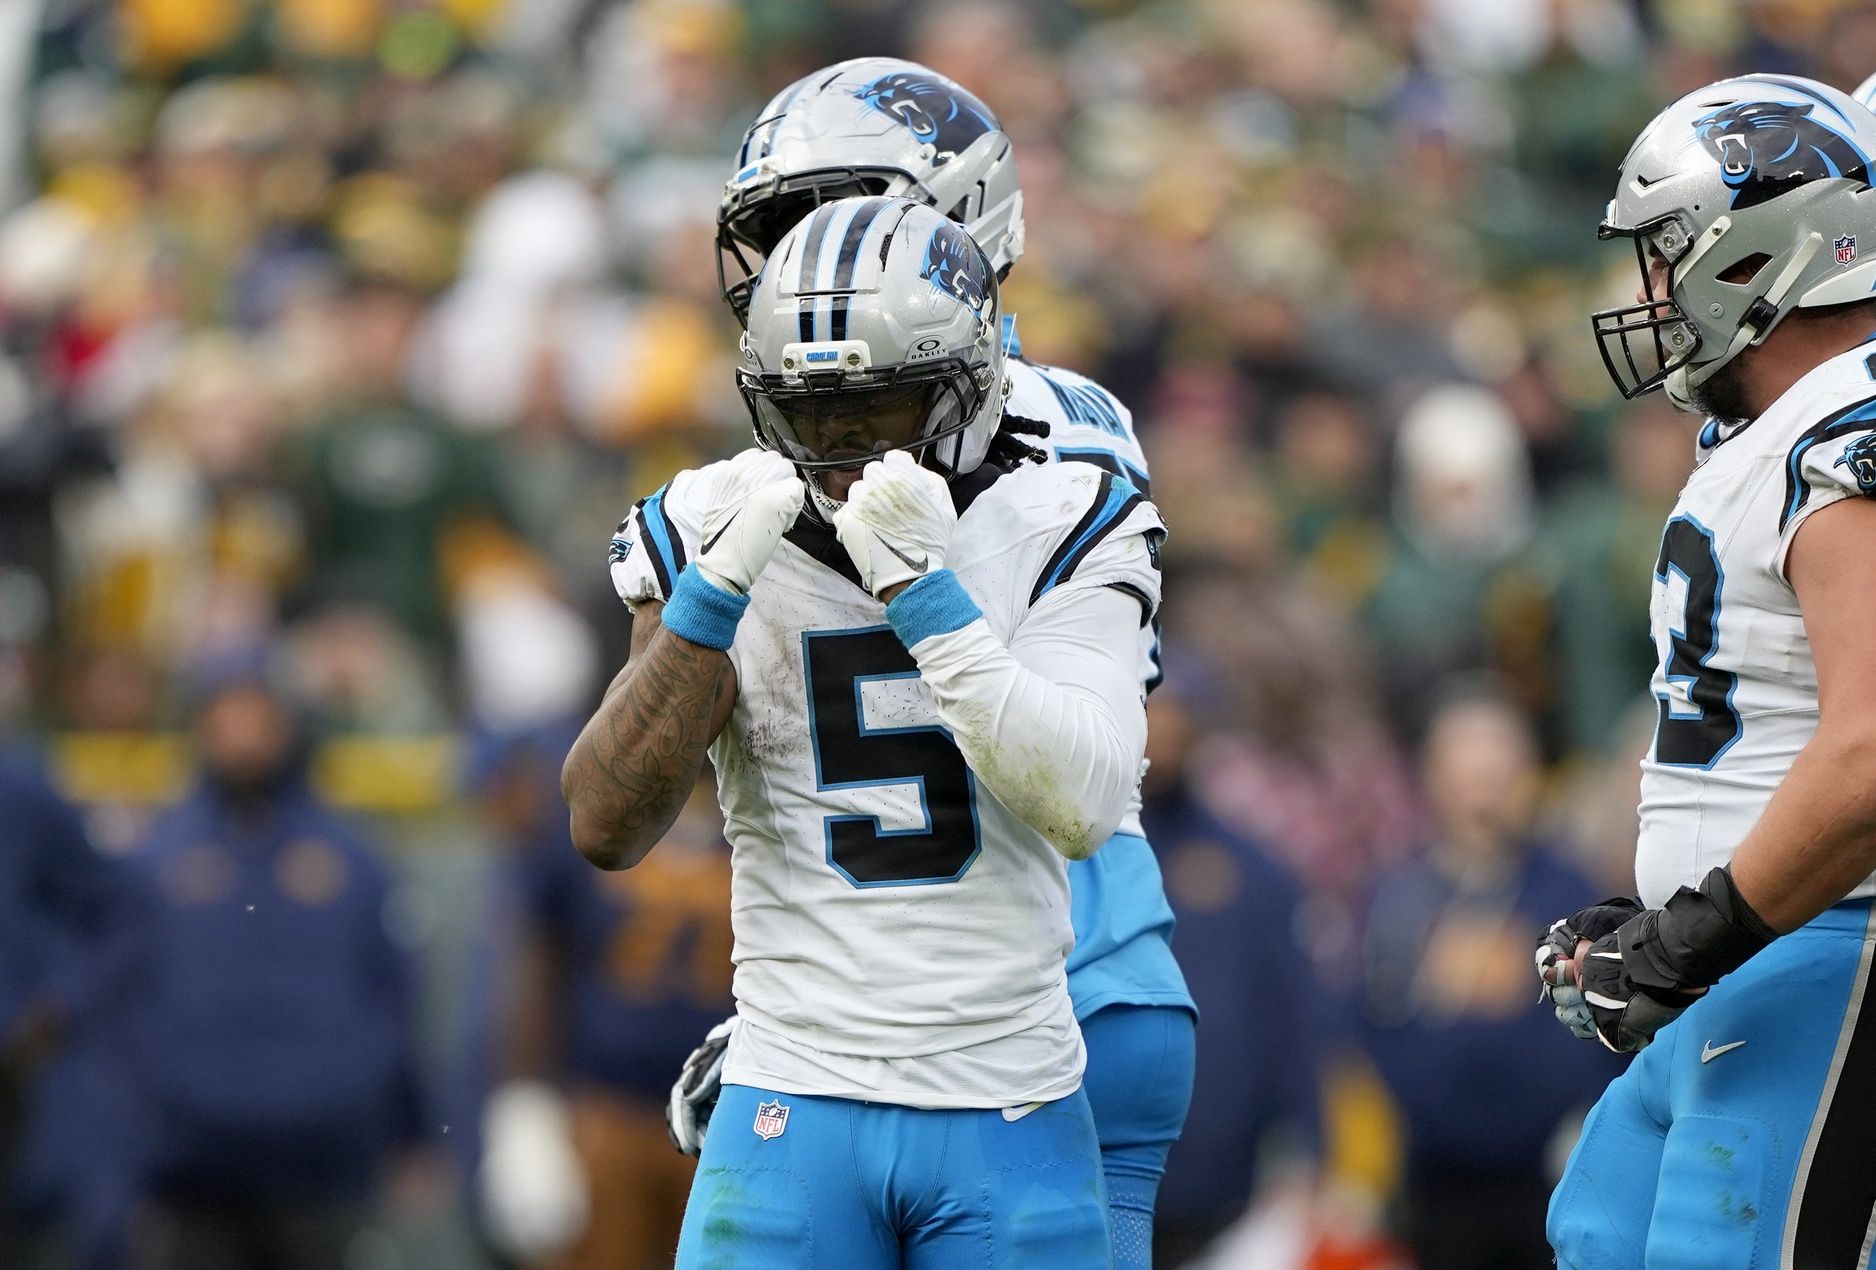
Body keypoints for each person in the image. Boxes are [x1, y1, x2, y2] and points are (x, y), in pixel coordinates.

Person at [563, 195, 1165, 1267]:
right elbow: (605, 822)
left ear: (969, 383)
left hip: (1008, 1097)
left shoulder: (1062, 511)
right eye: (810, 419)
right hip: (793, 1089)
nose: (841, 460)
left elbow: (1081, 801)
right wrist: (711, 596)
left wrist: (925, 593)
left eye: (882, 413)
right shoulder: (716, 520)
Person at [1535, 74, 1876, 1267]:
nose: (1651, 296)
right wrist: (1667, 915)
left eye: (1665, 256)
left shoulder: (1847, 423)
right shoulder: (1772, 432)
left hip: (1827, 956)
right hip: (1746, 963)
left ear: (1756, 255)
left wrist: (1704, 926)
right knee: (1595, 1231)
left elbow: (1870, 748)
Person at [125, 658, 428, 1270]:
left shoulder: (351, 859)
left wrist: (412, 1131)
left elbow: (396, 995)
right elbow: (119, 1004)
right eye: (225, 715)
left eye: (256, 715)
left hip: (322, 1162)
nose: (242, 734)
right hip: (185, 1163)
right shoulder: (155, 860)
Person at [1363, 684, 1618, 1270]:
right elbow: (1375, 1031)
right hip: (1434, 1184)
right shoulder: (1397, 901)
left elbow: (1603, 1039)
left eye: (1500, 776)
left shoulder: (1572, 897)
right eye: (1468, 777)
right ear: (1432, 781)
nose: (1485, 797)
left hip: (1552, 1179)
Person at [474, 728, 733, 1270]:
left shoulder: (769, 809)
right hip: (607, 1108)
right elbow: (542, 965)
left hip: (733, 1114)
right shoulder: (596, 808)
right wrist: (525, 1105)